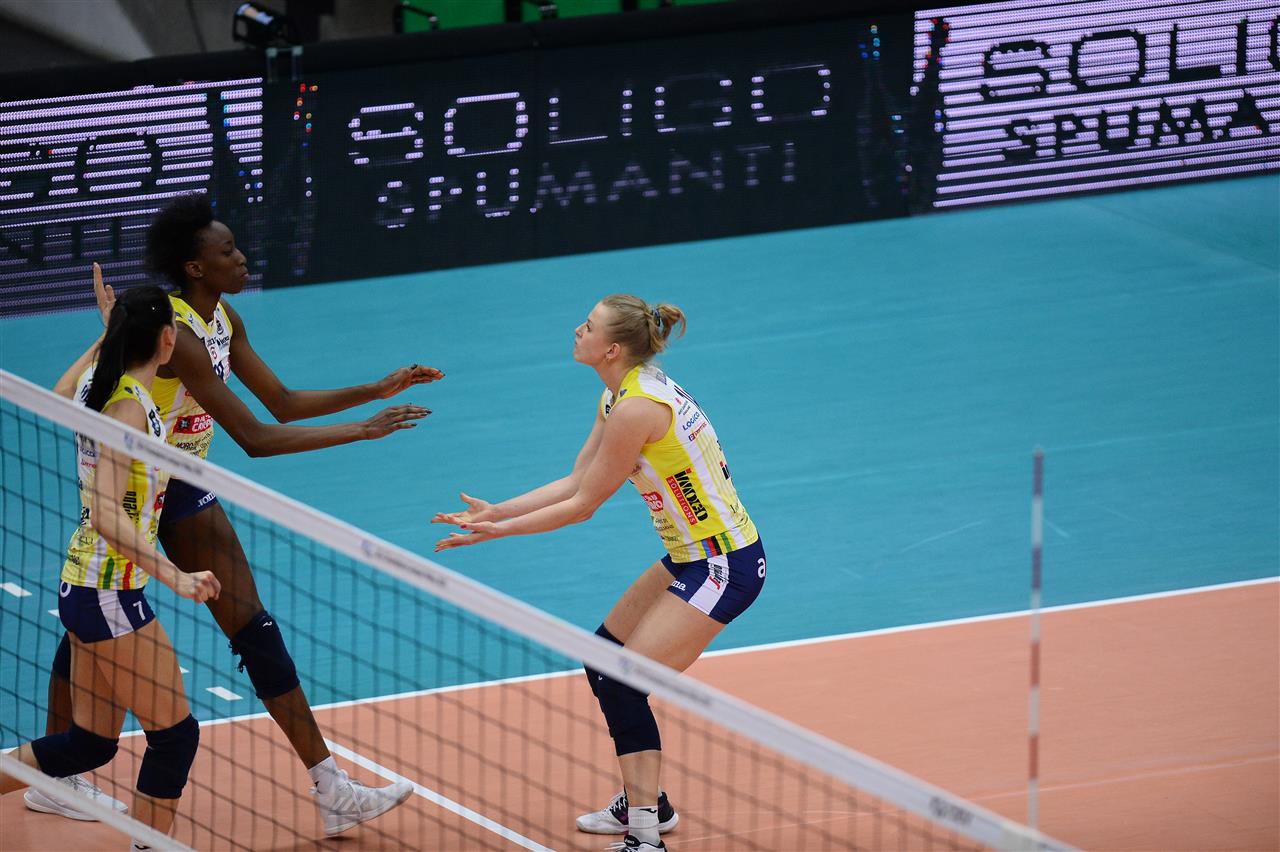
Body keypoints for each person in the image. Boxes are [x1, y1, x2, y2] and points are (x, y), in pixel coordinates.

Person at [35, 194, 441, 836]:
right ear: (195, 267)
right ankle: (58, 777)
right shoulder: (178, 336)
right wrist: (362, 430)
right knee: (105, 617)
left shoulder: (223, 319)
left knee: (228, 625)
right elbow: (254, 438)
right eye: (227, 251)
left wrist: (375, 388)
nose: (243, 258)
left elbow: (281, 401)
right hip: (144, 486)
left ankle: (331, 788)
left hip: (181, 488)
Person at [434, 294, 766, 852]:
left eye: (588, 326)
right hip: (691, 556)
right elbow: (575, 481)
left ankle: (645, 834)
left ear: (612, 349)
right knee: (603, 658)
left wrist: (498, 533)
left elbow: (584, 506)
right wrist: (497, 511)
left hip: (723, 564)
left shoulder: (637, 408)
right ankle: (650, 802)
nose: (577, 330)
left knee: (623, 681)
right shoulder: (618, 395)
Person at [2, 286, 221, 848]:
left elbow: (56, 396)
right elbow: (105, 513)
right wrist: (174, 575)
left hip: (86, 585)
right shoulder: (128, 408)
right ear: (168, 339)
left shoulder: (103, 386)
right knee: (175, 737)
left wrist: (106, 335)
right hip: (108, 591)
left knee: (89, 744)